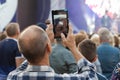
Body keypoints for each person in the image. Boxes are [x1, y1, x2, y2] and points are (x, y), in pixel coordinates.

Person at [7, 25, 98, 80]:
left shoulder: (13, 77)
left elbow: (29, 54)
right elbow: (91, 75)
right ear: (49, 47)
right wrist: (73, 47)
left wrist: (41, 45)